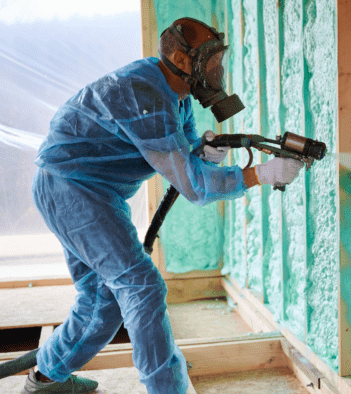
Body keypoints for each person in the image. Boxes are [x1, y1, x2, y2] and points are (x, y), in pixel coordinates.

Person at [23, 17, 303, 394]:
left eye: (218, 61)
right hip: (71, 188)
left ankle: (45, 378)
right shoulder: (146, 94)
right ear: (181, 59)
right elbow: (193, 186)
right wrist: (261, 174)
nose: (216, 70)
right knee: (142, 286)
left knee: (102, 300)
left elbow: (184, 163)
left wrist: (207, 156)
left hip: (89, 190)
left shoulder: (176, 96)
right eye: (210, 61)